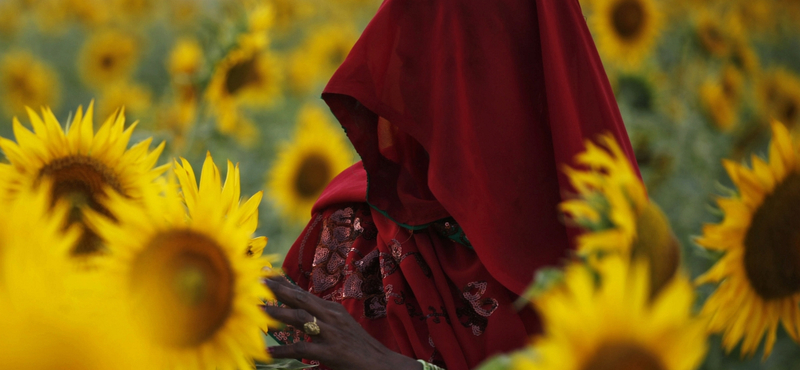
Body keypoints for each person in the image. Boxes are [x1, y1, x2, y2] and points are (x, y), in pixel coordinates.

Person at [262, 0, 638, 369]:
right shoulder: (357, 229)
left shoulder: (603, 239)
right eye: (413, 55)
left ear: (537, 73)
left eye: (462, 62)